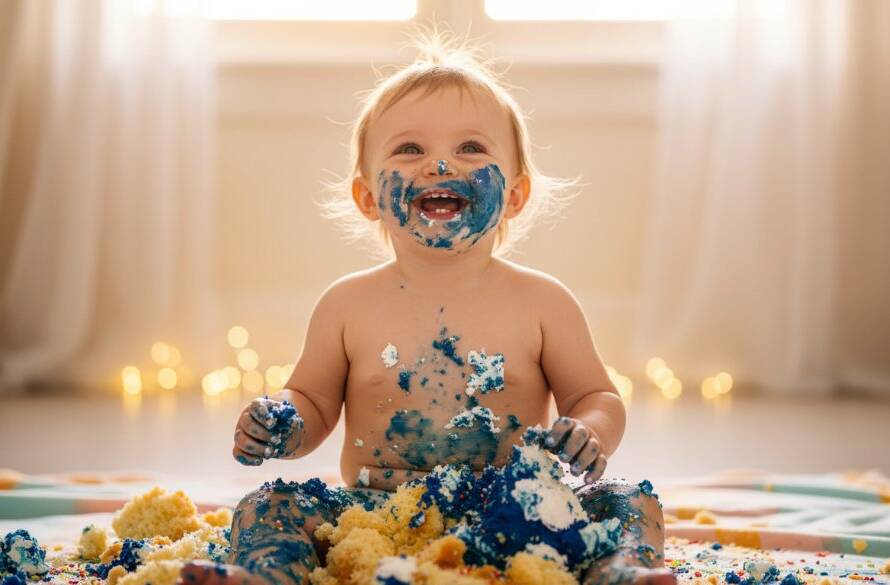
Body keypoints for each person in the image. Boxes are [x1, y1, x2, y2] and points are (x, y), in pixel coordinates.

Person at [181, 30, 674, 585]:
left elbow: (596, 395)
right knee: (266, 503)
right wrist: (284, 422)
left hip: (517, 515)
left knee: (630, 502)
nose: (440, 165)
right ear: (368, 197)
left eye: (470, 148)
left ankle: (623, 572)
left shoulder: (544, 303)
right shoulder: (346, 304)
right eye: (410, 149)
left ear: (515, 193)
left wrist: (589, 431)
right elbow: (314, 402)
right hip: (373, 517)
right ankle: (266, 575)